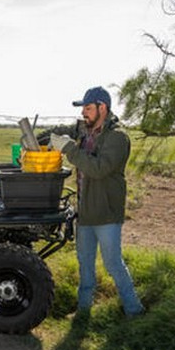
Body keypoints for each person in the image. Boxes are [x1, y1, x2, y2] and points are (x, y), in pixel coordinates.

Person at [46, 86, 144, 318]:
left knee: (113, 264)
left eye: (88, 108)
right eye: (83, 109)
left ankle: (134, 310)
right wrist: (46, 138)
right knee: (85, 264)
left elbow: (98, 169)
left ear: (103, 108)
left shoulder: (118, 137)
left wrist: (69, 149)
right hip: (86, 211)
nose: (84, 114)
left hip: (107, 213)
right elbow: (68, 133)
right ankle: (83, 310)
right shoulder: (87, 132)